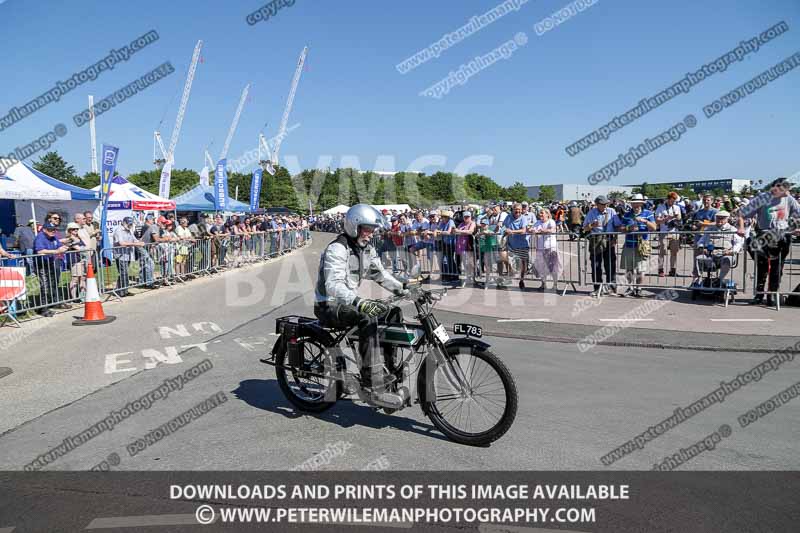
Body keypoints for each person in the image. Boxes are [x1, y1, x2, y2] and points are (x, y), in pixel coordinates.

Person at [313, 204, 407, 406]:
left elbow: (380, 274)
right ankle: (370, 381)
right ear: (354, 227)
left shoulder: (367, 249)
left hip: (349, 302)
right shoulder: (338, 248)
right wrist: (359, 302)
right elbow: (333, 285)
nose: (370, 233)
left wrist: (403, 288)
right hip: (328, 305)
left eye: (373, 230)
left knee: (393, 313)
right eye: (367, 229)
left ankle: (387, 368)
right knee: (367, 316)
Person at [738, 177, 800, 305]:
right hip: (765, 236)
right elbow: (742, 214)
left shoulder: (789, 199)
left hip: (782, 236)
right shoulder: (762, 199)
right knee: (762, 266)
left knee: (777, 268)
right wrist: (741, 227)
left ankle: (772, 295)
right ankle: (759, 295)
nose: (786, 191)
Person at [614, 194, 656, 297]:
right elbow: (621, 229)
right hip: (629, 245)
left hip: (642, 246)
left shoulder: (648, 213)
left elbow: (654, 227)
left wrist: (645, 221)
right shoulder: (627, 215)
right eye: (633, 203)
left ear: (641, 203)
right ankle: (631, 287)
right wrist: (629, 228)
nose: (635, 205)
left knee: (641, 269)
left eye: (637, 203)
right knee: (629, 269)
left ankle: (639, 288)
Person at [582, 195, 618, 296]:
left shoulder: (612, 211)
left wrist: (615, 238)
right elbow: (584, 228)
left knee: (610, 265)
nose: (605, 205)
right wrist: (592, 226)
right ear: (597, 204)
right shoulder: (592, 212)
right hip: (596, 240)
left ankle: (611, 288)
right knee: (596, 265)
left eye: (606, 203)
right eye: (603, 204)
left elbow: (617, 226)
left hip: (609, 239)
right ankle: (597, 288)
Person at [694, 211, 743, 284]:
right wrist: (701, 247)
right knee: (698, 258)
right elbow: (701, 240)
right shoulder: (710, 229)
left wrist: (732, 251)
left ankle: (720, 280)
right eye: (718, 218)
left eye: (722, 218)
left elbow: (739, 242)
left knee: (727, 259)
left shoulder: (732, 229)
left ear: (727, 219)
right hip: (710, 254)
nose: (719, 220)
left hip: (725, 253)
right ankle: (698, 279)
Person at [33, 222, 69, 316]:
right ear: (44, 230)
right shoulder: (40, 237)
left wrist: (64, 247)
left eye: (54, 229)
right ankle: (43, 309)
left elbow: (59, 245)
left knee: (52, 284)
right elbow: (40, 251)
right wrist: (56, 251)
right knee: (44, 287)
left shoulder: (54, 237)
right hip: (41, 266)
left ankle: (52, 304)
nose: (53, 231)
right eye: (50, 229)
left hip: (50, 264)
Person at [531, 207, 562, 292]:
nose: (540, 215)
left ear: (547, 214)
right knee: (542, 267)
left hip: (551, 247)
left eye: (542, 213)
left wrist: (543, 230)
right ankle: (543, 284)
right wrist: (532, 230)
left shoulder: (551, 221)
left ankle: (555, 285)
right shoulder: (537, 222)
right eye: (540, 213)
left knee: (553, 267)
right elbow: (532, 229)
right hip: (540, 247)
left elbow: (552, 230)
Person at [112, 217, 144, 297]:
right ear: (124, 222)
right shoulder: (118, 230)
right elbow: (121, 243)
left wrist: (140, 242)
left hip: (127, 255)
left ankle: (122, 290)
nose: (130, 225)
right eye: (128, 223)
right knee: (124, 273)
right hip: (120, 255)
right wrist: (136, 244)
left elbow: (134, 239)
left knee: (124, 273)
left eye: (131, 223)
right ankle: (122, 291)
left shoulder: (129, 230)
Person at [501, 203, 531, 290]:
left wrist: (512, 231)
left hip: (522, 244)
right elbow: (503, 226)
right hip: (511, 244)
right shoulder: (508, 217)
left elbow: (523, 230)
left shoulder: (523, 218)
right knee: (506, 259)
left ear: (521, 210)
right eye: (516, 209)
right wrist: (505, 230)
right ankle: (510, 276)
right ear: (512, 210)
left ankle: (521, 280)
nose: (517, 211)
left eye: (519, 210)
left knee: (523, 264)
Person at [655, 191, 682, 277]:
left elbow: (680, 219)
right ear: (668, 199)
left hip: (675, 232)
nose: (673, 202)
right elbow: (657, 221)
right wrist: (667, 218)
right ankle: (660, 269)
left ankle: (672, 270)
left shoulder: (677, 207)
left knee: (674, 252)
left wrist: (677, 217)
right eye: (672, 200)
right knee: (662, 252)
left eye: (675, 201)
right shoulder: (661, 207)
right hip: (664, 232)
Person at [436, 210, 458, 285]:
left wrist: (440, 232)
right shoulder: (442, 222)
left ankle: (454, 276)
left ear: (447, 217)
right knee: (446, 260)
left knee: (449, 260)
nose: (442, 218)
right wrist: (438, 231)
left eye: (444, 217)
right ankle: (448, 276)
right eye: (442, 217)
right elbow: (437, 229)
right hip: (445, 243)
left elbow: (448, 232)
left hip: (451, 243)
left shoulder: (451, 222)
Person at [454, 211, 476, 287]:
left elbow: (470, 231)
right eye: (465, 217)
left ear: (470, 217)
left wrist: (459, 231)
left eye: (468, 217)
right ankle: (467, 277)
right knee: (464, 262)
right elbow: (456, 231)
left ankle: (473, 277)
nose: (466, 218)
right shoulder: (461, 224)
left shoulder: (472, 223)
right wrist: (459, 231)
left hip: (468, 244)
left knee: (470, 262)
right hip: (461, 245)